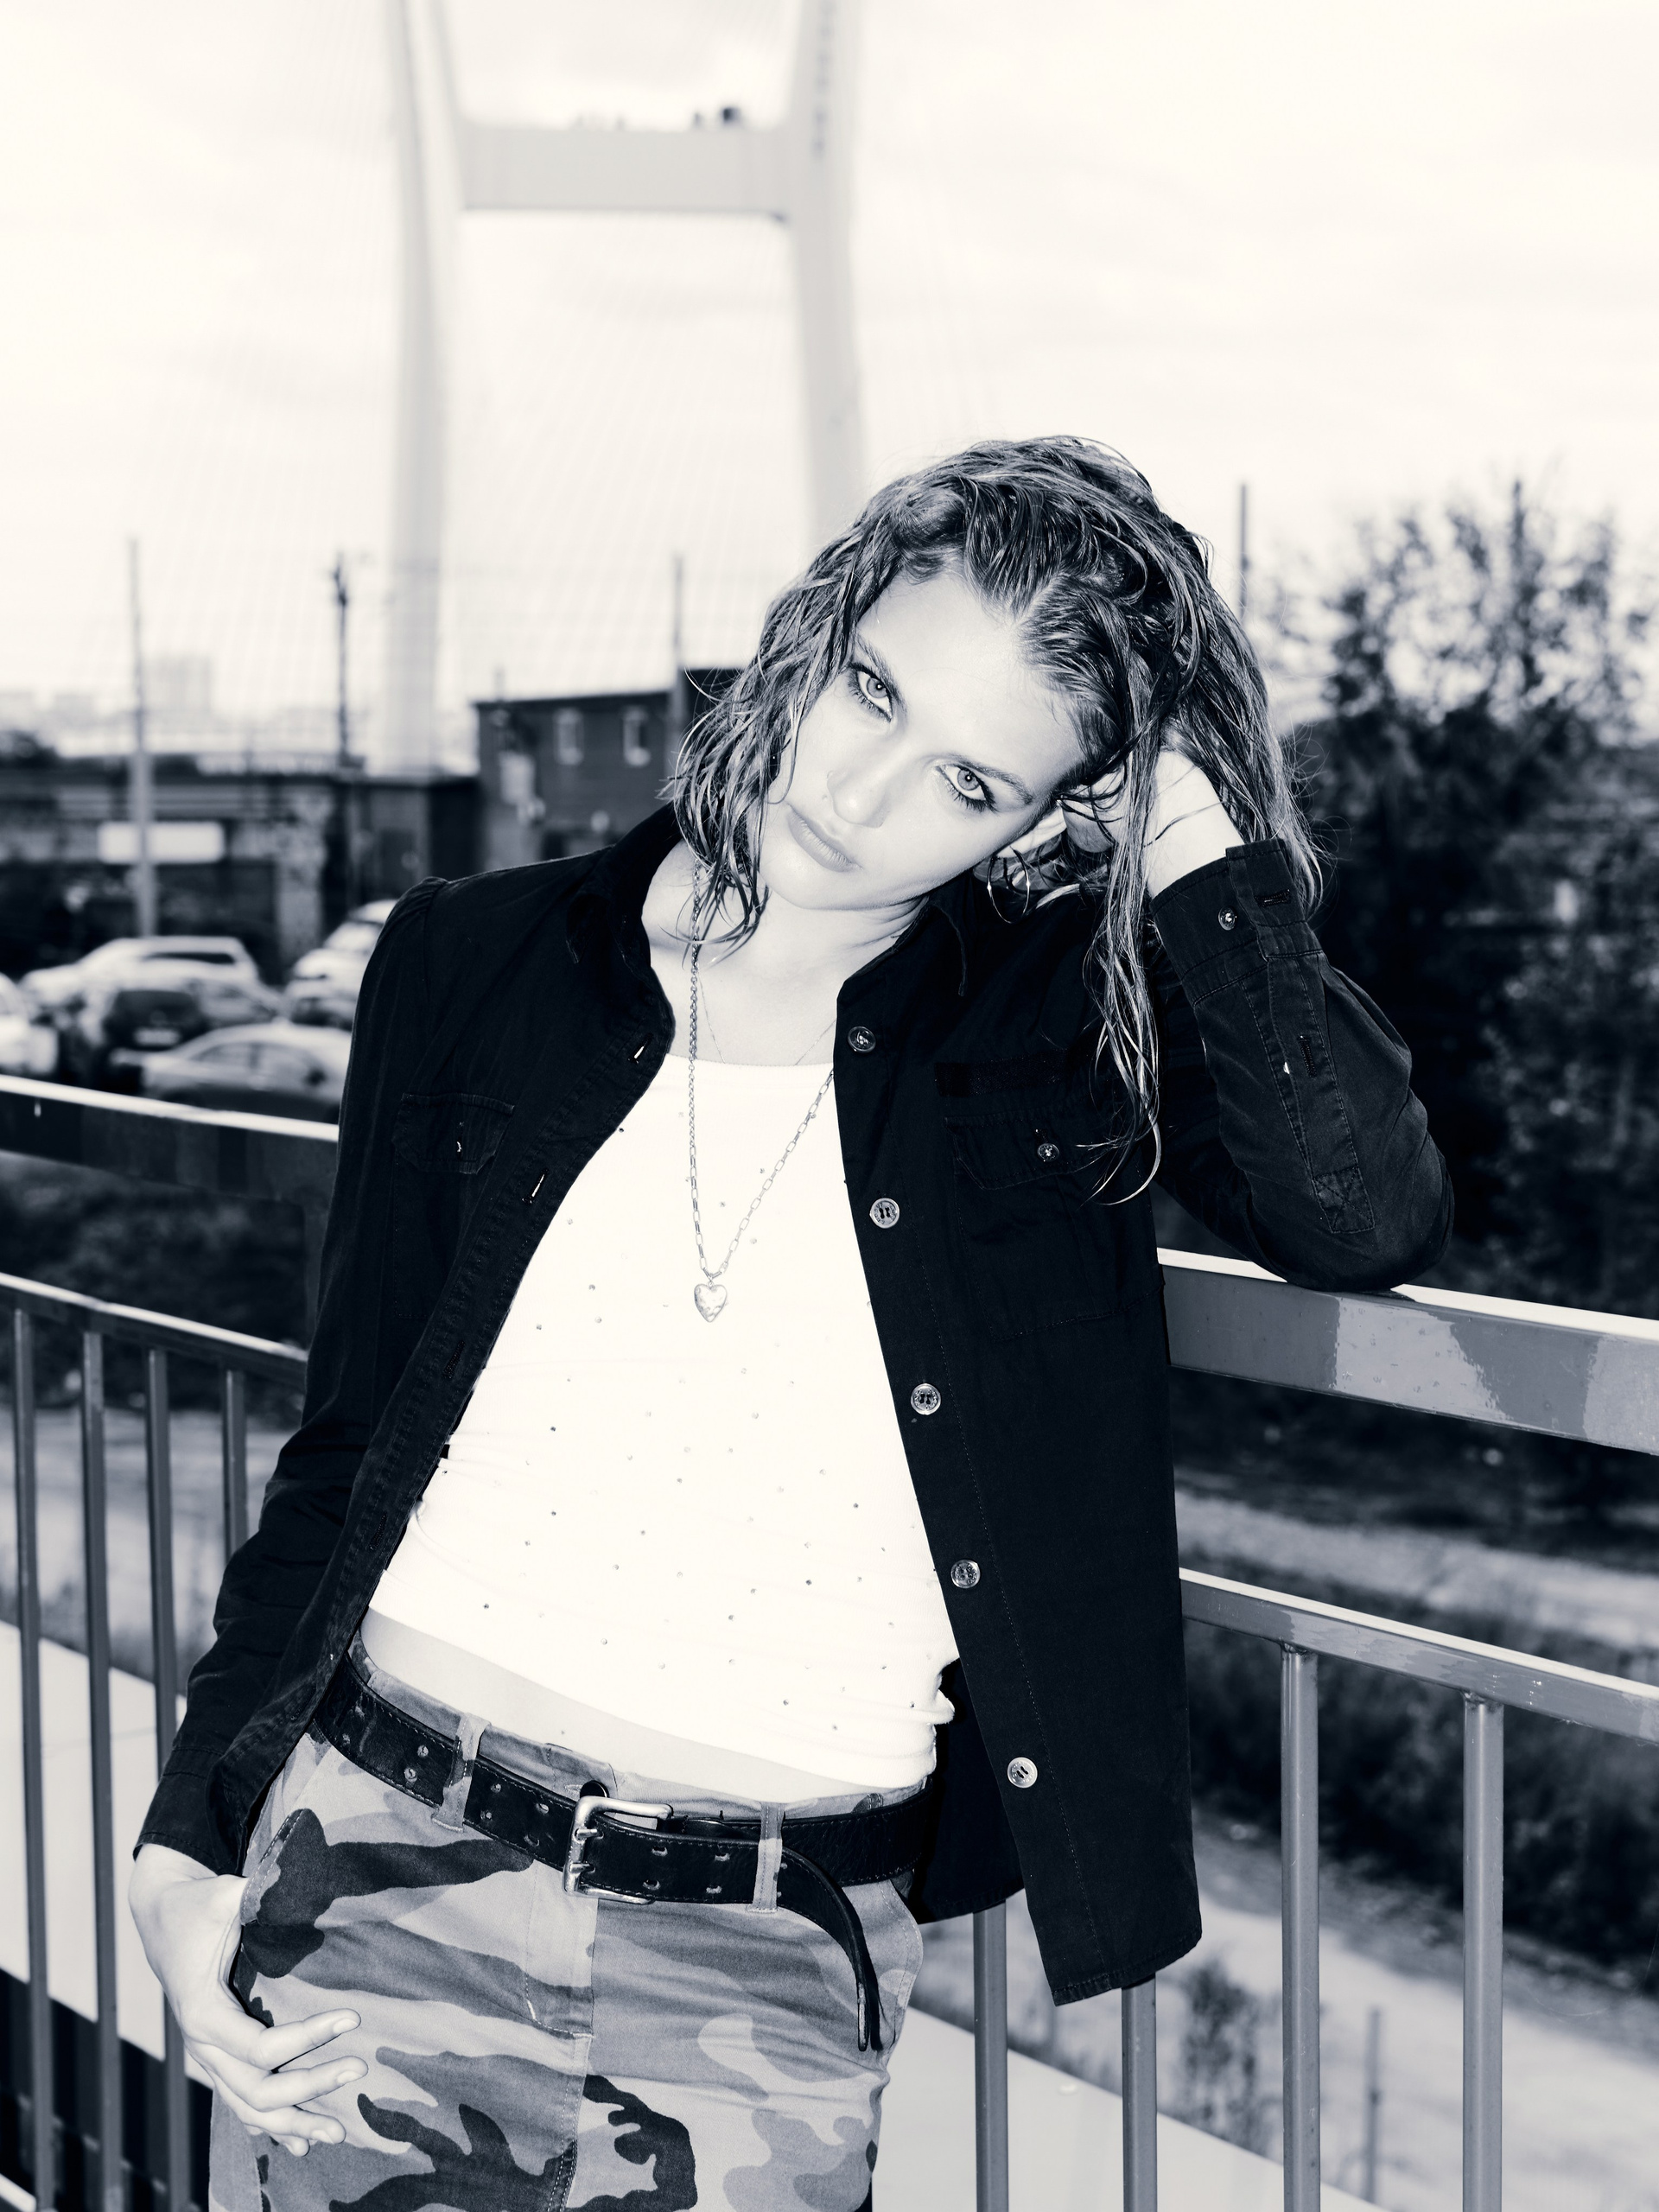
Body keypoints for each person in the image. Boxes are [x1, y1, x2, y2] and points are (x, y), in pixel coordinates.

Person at [130, 437, 1450, 2212]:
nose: (863, 789)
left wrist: (1199, 833)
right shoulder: (471, 958)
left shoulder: (1056, 1047)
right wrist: (191, 1830)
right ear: (815, 627)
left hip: (761, 1957)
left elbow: (1361, 1211)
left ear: (1050, 817)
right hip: (374, 1868)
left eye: (969, 777)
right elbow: (350, 1437)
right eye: (874, 690)